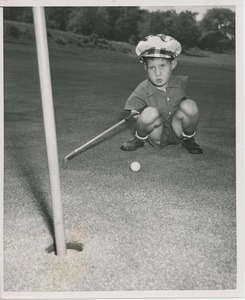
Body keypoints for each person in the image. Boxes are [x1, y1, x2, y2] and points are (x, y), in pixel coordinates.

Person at [120, 34, 203, 154]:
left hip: (176, 129)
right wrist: (135, 113)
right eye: (152, 68)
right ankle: (139, 139)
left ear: (173, 64)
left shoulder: (179, 82)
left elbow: (185, 107)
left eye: (162, 66)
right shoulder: (143, 88)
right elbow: (133, 108)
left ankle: (188, 139)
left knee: (190, 105)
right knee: (149, 113)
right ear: (145, 68)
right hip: (156, 134)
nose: (158, 73)